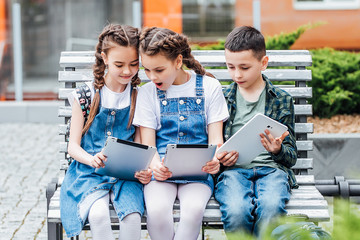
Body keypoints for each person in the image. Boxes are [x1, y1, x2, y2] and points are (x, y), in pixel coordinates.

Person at [133, 27, 229, 240]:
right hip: (161, 173)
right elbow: (148, 145)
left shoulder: (209, 86)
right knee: (157, 211)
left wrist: (215, 161)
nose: (151, 77)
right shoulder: (147, 92)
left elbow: (216, 140)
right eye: (146, 70)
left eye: (158, 70)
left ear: (178, 61)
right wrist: (156, 167)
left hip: (198, 172)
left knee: (193, 211)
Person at [60, 24, 152, 240]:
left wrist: (143, 169)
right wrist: (92, 159)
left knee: (132, 216)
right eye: (119, 64)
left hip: (126, 176)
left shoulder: (138, 96)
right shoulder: (85, 95)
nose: (127, 71)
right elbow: (73, 146)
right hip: (88, 172)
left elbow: (140, 146)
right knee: (99, 215)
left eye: (134, 64)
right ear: (104, 57)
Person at [214, 26, 298, 237]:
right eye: (230, 67)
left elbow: (291, 156)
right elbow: (213, 146)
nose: (236, 74)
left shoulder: (281, 100)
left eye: (244, 67)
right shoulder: (223, 98)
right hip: (233, 171)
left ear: (263, 63)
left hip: (272, 171)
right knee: (236, 211)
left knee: (271, 207)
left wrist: (278, 150)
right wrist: (221, 159)